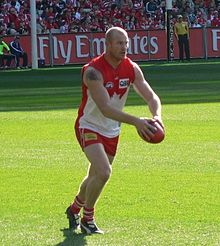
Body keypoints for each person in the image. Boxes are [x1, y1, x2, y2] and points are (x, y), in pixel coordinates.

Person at [66, 27, 164, 234]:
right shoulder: (92, 71)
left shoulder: (132, 68)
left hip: (112, 130)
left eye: (126, 43)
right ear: (108, 45)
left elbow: (151, 96)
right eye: (119, 43)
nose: (124, 47)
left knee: (95, 175)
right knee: (103, 171)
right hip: (89, 125)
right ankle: (87, 218)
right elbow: (105, 108)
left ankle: (74, 208)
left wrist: (157, 116)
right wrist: (136, 121)